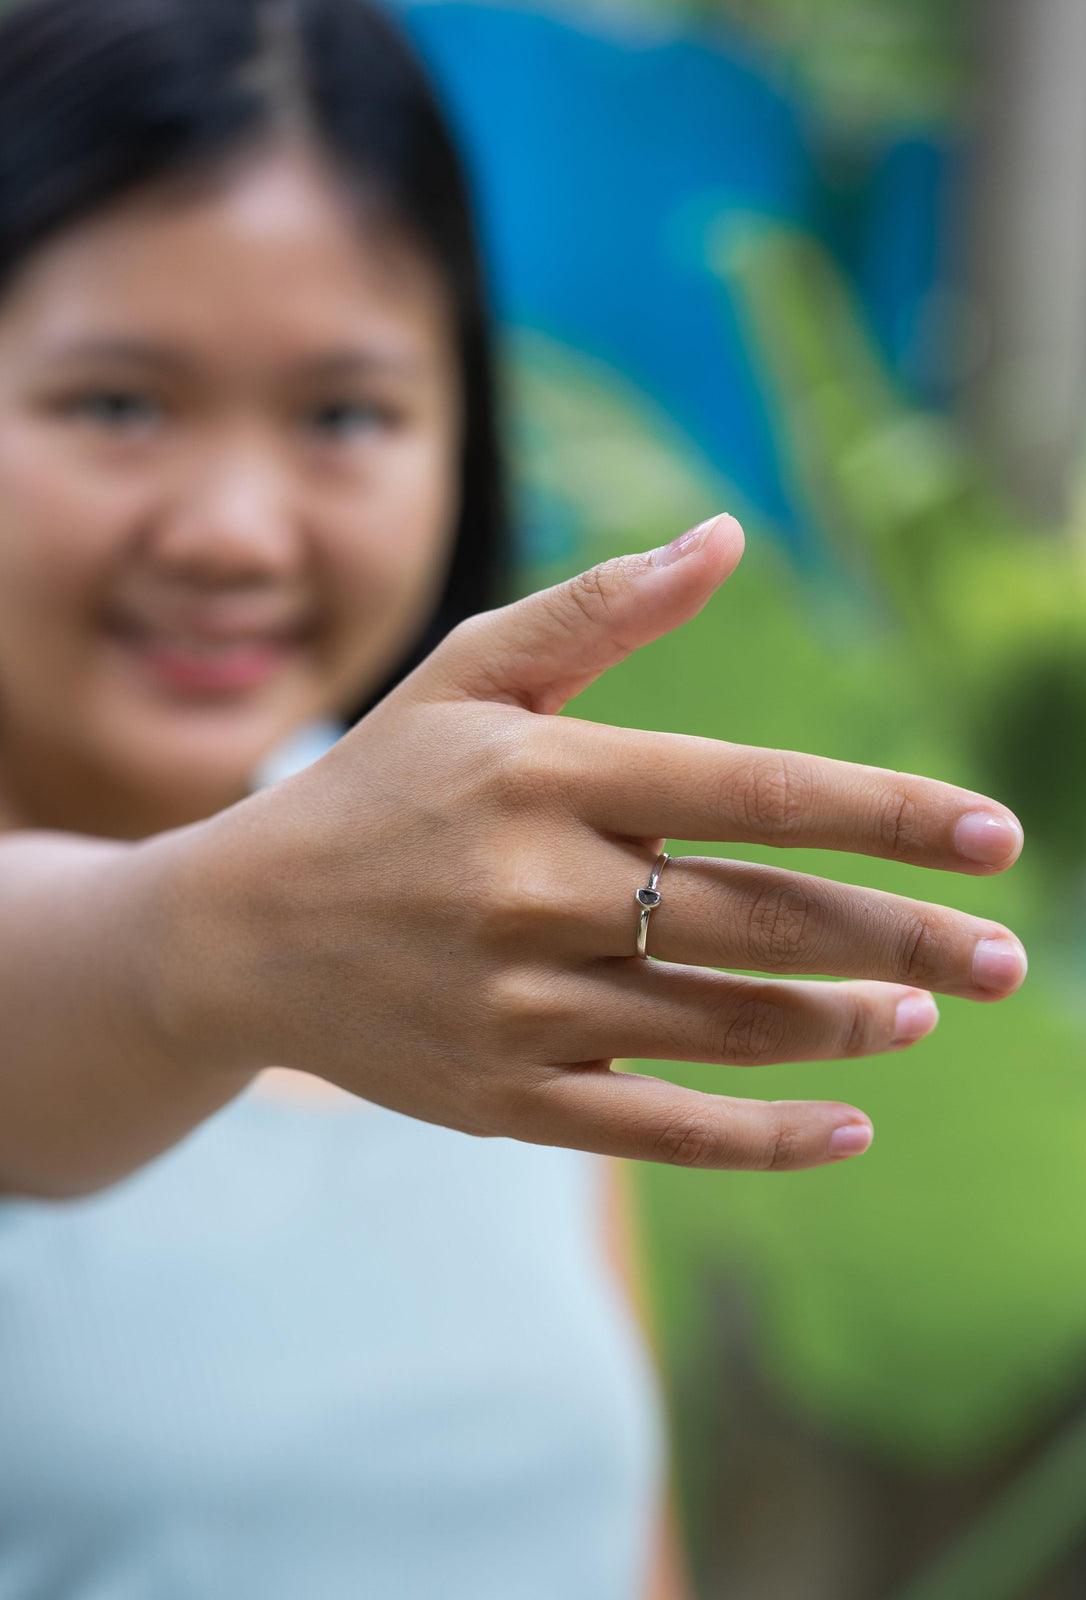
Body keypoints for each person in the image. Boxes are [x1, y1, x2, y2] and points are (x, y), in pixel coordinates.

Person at [0, 0, 1029, 1595]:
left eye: (345, 415)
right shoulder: (393, 895)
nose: (234, 532)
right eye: (117, 403)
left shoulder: (485, 896)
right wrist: (220, 935)